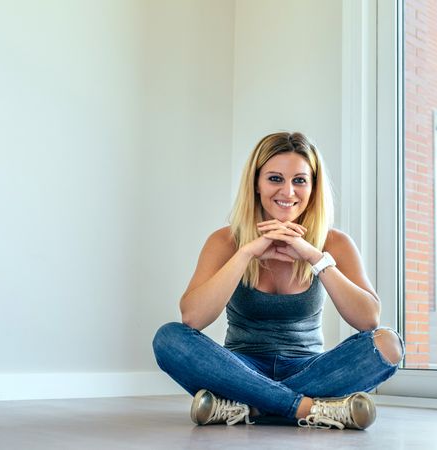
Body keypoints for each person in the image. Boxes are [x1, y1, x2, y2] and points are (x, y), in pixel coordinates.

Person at [152, 131, 404, 430]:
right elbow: (192, 317)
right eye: (275, 179)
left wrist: (315, 256)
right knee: (168, 338)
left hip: (309, 368)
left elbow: (368, 320)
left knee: (388, 344)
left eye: (299, 180)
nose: (288, 192)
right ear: (256, 184)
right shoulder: (225, 241)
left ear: (313, 187)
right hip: (238, 367)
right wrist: (246, 252)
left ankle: (248, 407)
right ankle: (306, 408)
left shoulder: (335, 242)